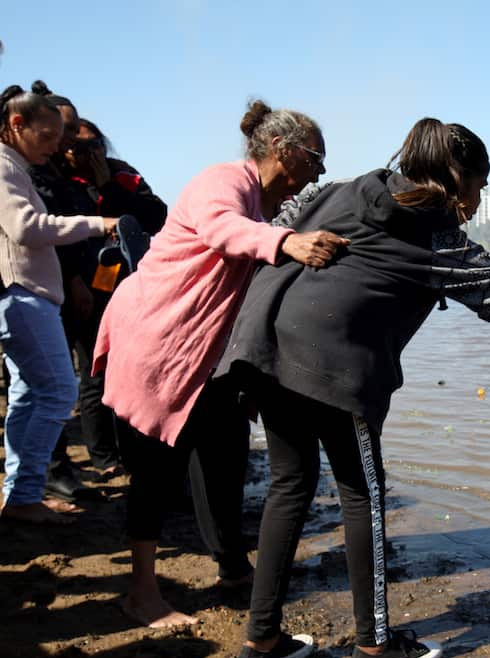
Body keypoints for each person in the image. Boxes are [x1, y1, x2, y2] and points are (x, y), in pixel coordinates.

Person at [217, 118, 490, 658]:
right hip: (335, 367)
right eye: (480, 185)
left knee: (289, 486)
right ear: (456, 177)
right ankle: (373, 648)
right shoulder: (438, 237)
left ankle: (261, 642)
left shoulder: (337, 190)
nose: (481, 198)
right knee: (362, 493)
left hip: (266, 346)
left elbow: (279, 232)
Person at [92, 99, 348, 628]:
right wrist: (288, 242)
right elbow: (220, 229)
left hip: (207, 354)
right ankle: (140, 592)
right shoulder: (224, 181)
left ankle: (232, 567)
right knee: (156, 468)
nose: (318, 173)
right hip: (158, 341)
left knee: (225, 458)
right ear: (282, 149)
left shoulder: (262, 206)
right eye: (316, 160)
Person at [0, 84, 117, 525]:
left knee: (28, 396)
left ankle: (22, 494)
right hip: (25, 294)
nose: (56, 147)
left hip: (28, 294)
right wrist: (95, 224)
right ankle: (26, 494)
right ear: (17, 125)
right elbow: (27, 228)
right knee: (58, 392)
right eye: (48, 136)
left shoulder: (14, 165)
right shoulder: (4, 166)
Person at [58, 117, 167, 477]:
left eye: (95, 145)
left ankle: (135, 450)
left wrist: (109, 185)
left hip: (127, 284)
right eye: (79, 147)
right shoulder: (57, 179)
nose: (89, 154)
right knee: (93, 374)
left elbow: (155, 216)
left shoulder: (123, 175)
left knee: (133, 370)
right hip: (77, 286)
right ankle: (103, 458)